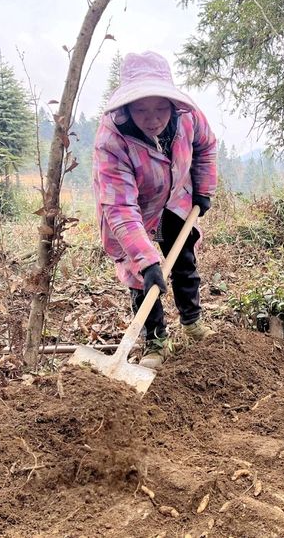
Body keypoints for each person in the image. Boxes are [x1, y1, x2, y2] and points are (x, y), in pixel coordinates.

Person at [93, 51, 217, 368]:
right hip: (135, 210)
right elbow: (120, 207)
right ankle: (155, 341)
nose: (153, 118)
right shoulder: (112, 138)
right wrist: (147, 261)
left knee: (184, 259)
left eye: (161, 108)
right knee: (142, 277)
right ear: (127, 107)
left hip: (175, 199)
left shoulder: (188, 116)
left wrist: (203, 189)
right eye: (142, 109)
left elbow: (206, 146)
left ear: (172, 103)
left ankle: (192, 323)